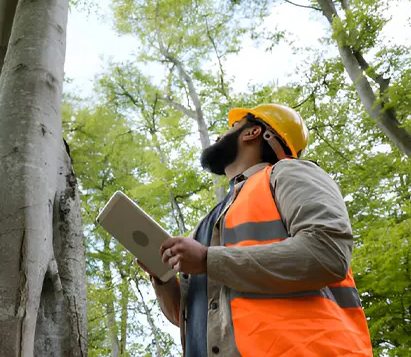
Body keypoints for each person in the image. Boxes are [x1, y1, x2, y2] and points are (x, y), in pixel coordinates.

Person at [137, 104, 373, 356]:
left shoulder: (288, 172)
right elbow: (194, 317)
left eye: (233, 127)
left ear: (253, 133)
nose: (219, 136)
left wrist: (208, 259)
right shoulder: (208, 223)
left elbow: (327, 253)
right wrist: (162, 279)